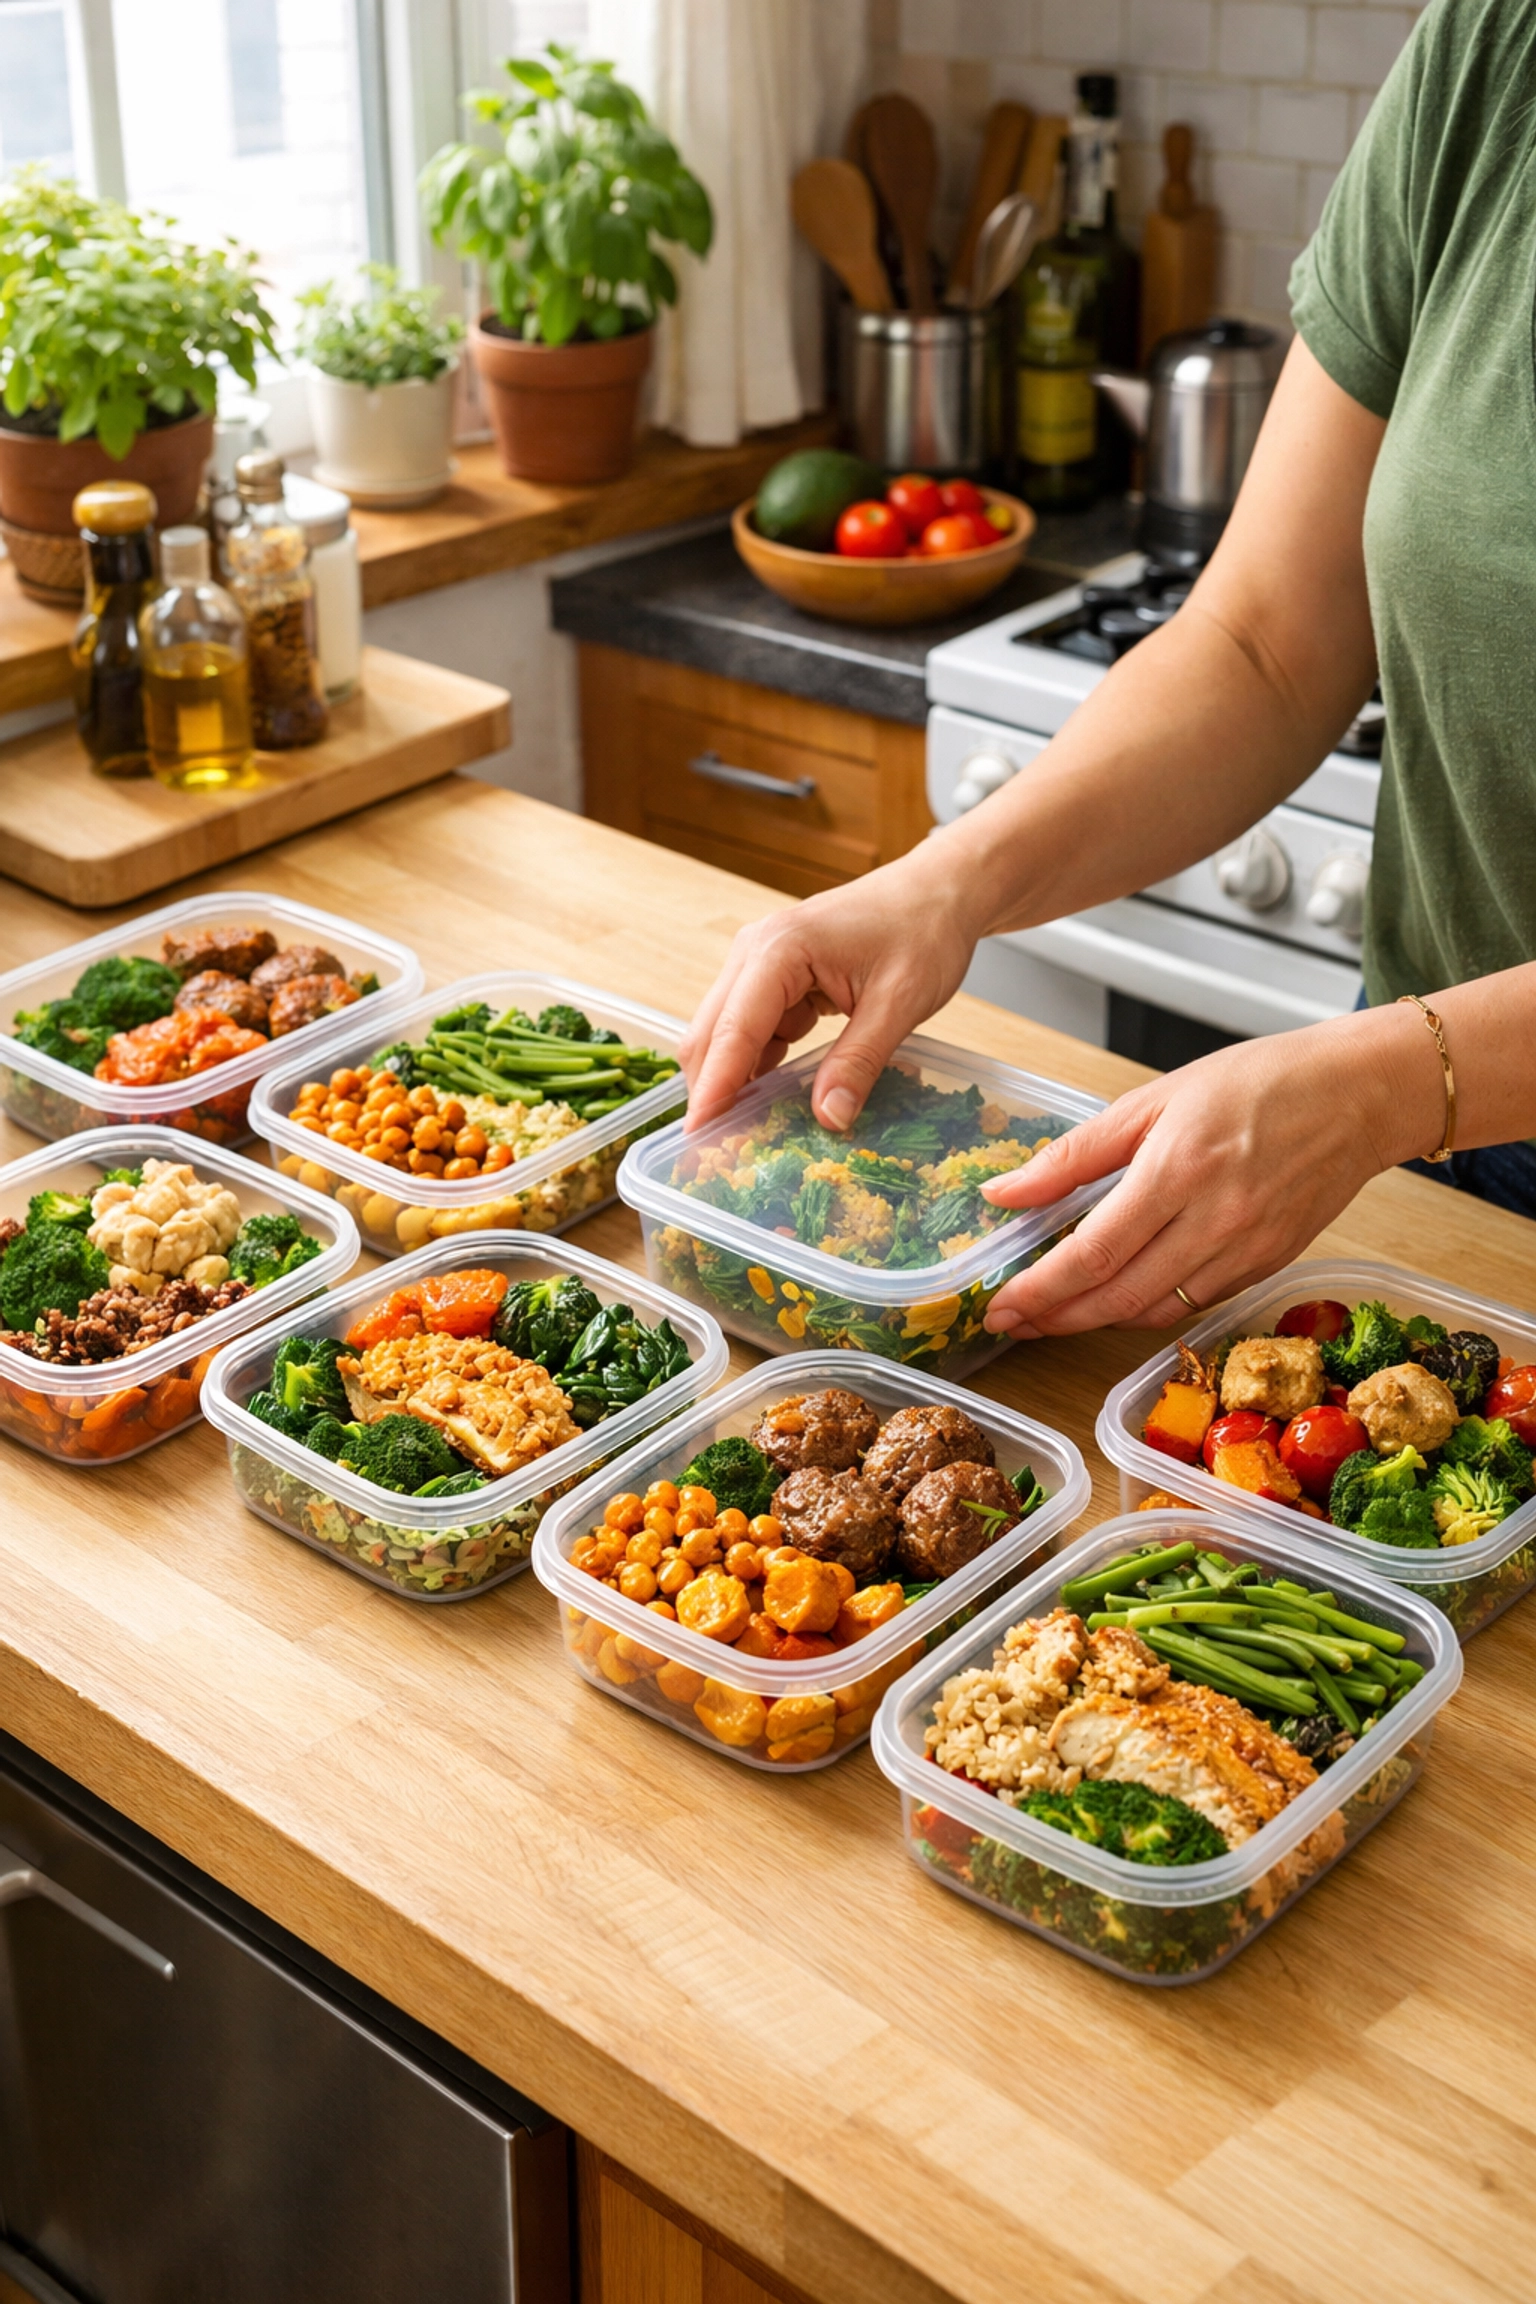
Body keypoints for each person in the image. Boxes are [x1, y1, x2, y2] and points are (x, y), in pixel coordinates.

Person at [679, 0, 1536, 1342]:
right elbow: (1262, 639)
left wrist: (1386, 1085)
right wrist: (941, 884)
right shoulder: (1495, 53)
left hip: (1403, 1084)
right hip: (1427, 1127)